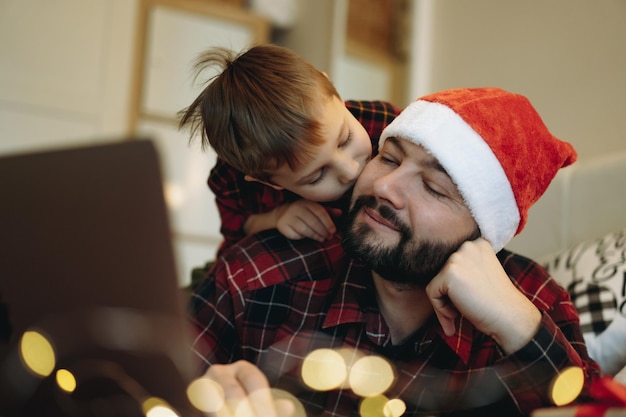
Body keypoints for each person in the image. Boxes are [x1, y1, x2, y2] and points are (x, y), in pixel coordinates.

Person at [189, 87, 601, 416]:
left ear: (484, 229)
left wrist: (518, 325)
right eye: (387, 158)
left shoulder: (533, 298)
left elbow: (586, 405)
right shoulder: (256, 273)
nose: (383, 187)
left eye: (434, 188)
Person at [178, 44, 400, 258]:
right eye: (317, 176)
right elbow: (235, 224)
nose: (349, 171)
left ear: (333, 92)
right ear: (267, 181)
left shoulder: (386, 124)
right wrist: (275, 217)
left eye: (345, 139)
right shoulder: (233, 179)